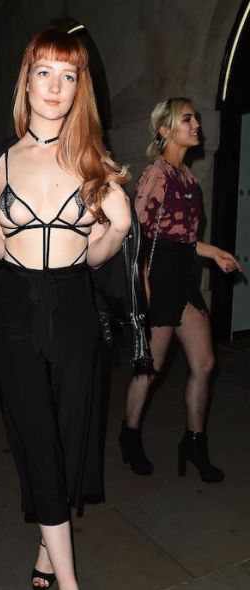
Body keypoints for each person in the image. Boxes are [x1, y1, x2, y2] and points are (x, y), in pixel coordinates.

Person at [0, 27, 131, 590]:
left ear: (81, 88)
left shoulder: (95, 163)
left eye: (69, 75)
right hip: (14, 314)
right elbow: (1, 248)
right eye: (44, 72)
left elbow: (98, 256)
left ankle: (43, 545)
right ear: (25, 80)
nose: (55, 87)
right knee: (36, 439)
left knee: (73, 436)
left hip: (75, 310)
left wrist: (118, 228)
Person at [119, 97, 241, 481]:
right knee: (150, 368)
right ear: (165, 130)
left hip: (184, 278)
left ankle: (194, 443)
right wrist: (143, 290)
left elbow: (183, 240)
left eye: (196, 119)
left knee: (204, 364)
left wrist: (213, 252)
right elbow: (136, 238)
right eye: (187, 119)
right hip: (158, 279)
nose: (196, 125)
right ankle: (129, 435)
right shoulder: (156, 175)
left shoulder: (188, 179)